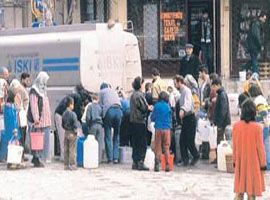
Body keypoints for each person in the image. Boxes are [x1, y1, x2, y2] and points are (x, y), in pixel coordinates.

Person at [233, 99, 267, 200]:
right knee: (251, 193)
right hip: (254, 164)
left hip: (240, 163)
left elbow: (234, 146)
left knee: (239, 191)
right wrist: (263, 164)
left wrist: (235, 161)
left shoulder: (236, 126)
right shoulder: (257, 128)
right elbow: (260, 148)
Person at [173, 75, 199, 166]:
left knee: (190, 140)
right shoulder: (182, 92)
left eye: (175, 83)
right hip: (186, 119)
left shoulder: (186, 91)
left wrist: (182, 109)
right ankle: (185, 159)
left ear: (180, 82)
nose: (175, 85)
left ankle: (195, 155)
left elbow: (187, 103)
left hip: (190, 118)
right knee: (182, 140)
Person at [27, 71, 51, 167]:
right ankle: (37, 158)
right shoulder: (34, 91)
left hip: (46, 121)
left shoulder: (43, 90)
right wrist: (36, 118)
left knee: (44, 141)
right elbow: (33, 106)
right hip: (39, 121)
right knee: (38, 141)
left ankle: (41, 158)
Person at [130, 76, 152, 170]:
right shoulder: (139, 95)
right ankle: (140, 162)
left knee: (135, 142)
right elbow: (144, 107)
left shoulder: (132, 95)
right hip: (140, 121)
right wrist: (149, 108)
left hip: (133, 121)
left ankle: (135, 162)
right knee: (142, 143)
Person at [99, 82, 122, 164]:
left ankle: (110, 158)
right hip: (119, 111)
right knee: (116, 135)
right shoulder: (113, 91)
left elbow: (100, 106)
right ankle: (116, 158)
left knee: (108, 135)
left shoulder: (101, 92)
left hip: (109, 111)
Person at [151, 91, 171, 172]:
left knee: (158, 146)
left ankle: (157, 164)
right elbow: (170, 118)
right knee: (166, 147)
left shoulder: (156, 106)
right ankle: (167, 165)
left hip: (158, 128)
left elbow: (152, 117)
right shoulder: (168, 107)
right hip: (166, 128)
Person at [0, 90, 21, 161]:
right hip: (12, 128)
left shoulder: (8, 106)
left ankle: (7, 157)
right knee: (11, 143)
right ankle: (11, 158)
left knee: (9, 142)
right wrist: (15, 129)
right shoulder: (10, 107)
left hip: (10, 128)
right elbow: (13, 119)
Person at [212, 78, 231, 149]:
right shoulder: (220, 94)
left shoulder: (222, 95)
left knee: (220, 141)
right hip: (221, 122)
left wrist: (219, 124)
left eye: (214, 86)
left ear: (219, 85)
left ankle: (219, 158)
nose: (213, 88)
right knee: (219, 140)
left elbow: (223, 110)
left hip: (222, 123)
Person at [62, 97, 79, 170]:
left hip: (66, 132)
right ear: (70, 105)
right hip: (72, 132)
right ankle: (72, 165)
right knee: (72, 149)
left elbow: (62, 124)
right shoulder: (73, 114)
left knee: (66, 149)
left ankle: (66, 164)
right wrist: (76, 132)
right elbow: (75, 124)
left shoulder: (64, 113)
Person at [86, 94, 104, 163]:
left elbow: (88, 118)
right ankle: (98, 160)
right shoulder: (100, 107)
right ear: (98, 99)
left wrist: (88, 125)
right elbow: (103, 115)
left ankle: (92, 159)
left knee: (91, 143)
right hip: (100, 125)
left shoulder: (90, 107)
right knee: (99, 144)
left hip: (92, 125)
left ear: (92, 99)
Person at [200, 9, 213, 73]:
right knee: (204, 57)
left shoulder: (211, 22)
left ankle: (210, 70)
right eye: (204, 14)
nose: (205, 15)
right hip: (203, 42)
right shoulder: (201, 23)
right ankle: (205, 71)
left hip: (209, 41)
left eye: (206, 14)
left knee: (210, 57)